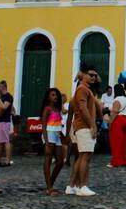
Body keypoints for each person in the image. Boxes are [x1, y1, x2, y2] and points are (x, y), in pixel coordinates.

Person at [67, 64, 101, 196]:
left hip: (82, 126)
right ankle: (82, 185)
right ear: (83, 75)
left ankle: (74, 185)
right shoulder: (82, 90)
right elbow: (83, 108)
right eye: (91, 75)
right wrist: (92, 125)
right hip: (84, 126)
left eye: (95, 75)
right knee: (85, 156)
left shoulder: (85, 89)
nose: (94, 77)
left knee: (82, 156)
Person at [39, 88, 67, 193]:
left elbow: (58, 123)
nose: (55, 97)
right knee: (48, 159)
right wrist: (46, 142)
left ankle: (50, 184)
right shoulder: (47, 109)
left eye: (56, 95)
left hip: (57, 135)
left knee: (60, 162)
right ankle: (49, 187)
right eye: (52, 95)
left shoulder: (57, 108)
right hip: (49, 135)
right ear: (48, 97)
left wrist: (63, 135)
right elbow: (44, 125)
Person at [0, 80, 16, 167]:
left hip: (4, 121)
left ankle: (7, 161)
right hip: (1, 121)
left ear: (2, 87)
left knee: (5, 141)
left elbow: (4, 107)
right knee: (0, 142)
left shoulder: (8, 97)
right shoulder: (2, 96)